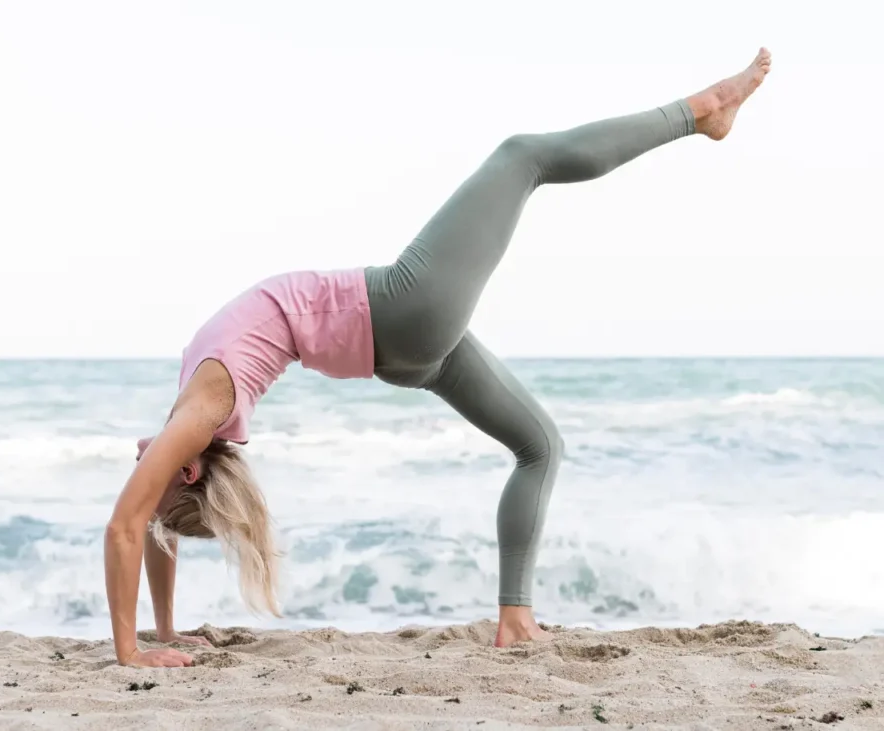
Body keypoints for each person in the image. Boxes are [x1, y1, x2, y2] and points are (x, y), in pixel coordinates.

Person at [106, 49, 773, 668]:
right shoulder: (201, 414)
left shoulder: (190, 418)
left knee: (540, 445)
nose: (139, 472)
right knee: (520, 157)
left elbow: (151, 520)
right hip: (399, 307)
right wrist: (131, 651)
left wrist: (161, 632)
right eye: (157, 475)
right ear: (188, 469)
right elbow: (128, 524)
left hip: (401, 349)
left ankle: (515, 616)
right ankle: (700, 111)